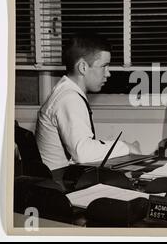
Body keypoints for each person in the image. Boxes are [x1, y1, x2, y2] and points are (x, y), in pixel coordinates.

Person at [36, 34, 141, 170]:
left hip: (61, 178)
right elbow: (82, 153)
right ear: (83, 67)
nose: (108, 74)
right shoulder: (69, 99)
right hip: (60, 185)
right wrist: (127, 147)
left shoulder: (65, 91)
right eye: (104, 66)